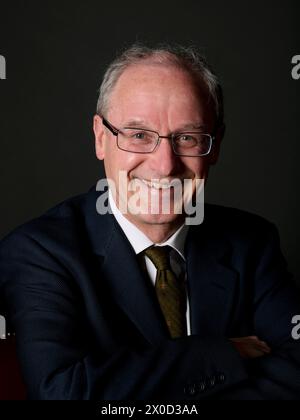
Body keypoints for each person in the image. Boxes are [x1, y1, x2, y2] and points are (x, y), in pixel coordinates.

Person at [0, 43, 300, 400]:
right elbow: (64, 393)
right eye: (139, 135)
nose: (164, 165)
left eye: (187, 137)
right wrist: (221, 354)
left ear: (215, 145)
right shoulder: (38, 252)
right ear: (100, 138)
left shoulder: (252, 243)